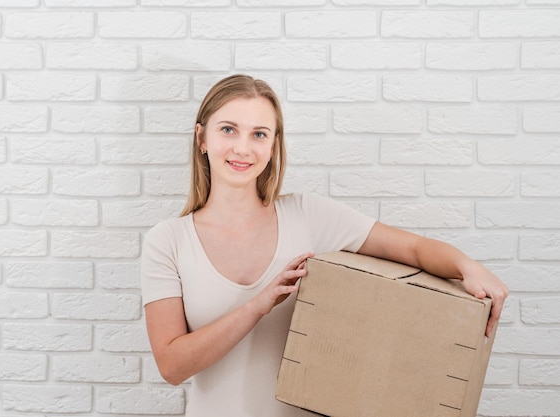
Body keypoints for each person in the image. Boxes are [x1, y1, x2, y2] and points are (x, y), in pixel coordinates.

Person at [141, 74, 509, 417]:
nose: (243, 147)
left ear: (273, 145)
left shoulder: (307, 215)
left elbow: (412, 250)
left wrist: (466, 266)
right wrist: (257, 305)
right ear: (202, 138)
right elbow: (172, 366)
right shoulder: (168, 241)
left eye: (259, 134)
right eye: (228, 130)